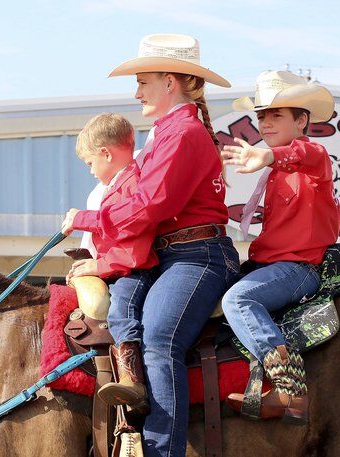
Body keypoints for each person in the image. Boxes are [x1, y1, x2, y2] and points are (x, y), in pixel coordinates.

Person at [62, 33, 239, 456]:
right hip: (175, 255)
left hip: (197, 256)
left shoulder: (182, 133)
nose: (136, 92)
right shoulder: (166, 133)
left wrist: (86, 219)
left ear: (170, 83)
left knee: (160, 339)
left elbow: (149, 206)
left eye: (143, 82)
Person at [220, 70, 340, 424]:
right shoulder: (276, 172)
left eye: (277, 115)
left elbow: (304, 152)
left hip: (298, 269)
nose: (266, 123)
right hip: (273, 266)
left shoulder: (313, 159)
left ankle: (289, 389)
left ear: (301, 121)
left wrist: (267, 156)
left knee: (238, 300)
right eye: (262, 116)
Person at [66, 113, 160, 411]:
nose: (91, 171)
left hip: (134, 271)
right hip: (119, 268)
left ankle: (133, 379)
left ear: (106, 153)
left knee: (121, 308)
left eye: (90, 163)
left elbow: (133, 250)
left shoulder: (132, 186)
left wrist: (98, 266)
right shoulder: (113, 187)